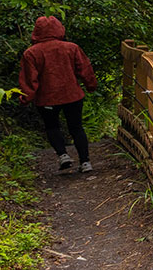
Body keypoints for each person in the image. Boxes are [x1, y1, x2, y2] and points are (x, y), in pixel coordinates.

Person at [19, 15, 97, 173]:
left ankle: (63, 155)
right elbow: (85, 68)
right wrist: (91, 85)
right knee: (76, 127)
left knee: (52, 126)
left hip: (47, 98)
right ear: (59, 28)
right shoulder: (71, 48)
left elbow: (29, 79)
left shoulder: (31, 53)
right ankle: (85, 162)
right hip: (72, 95)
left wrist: (26, 97)